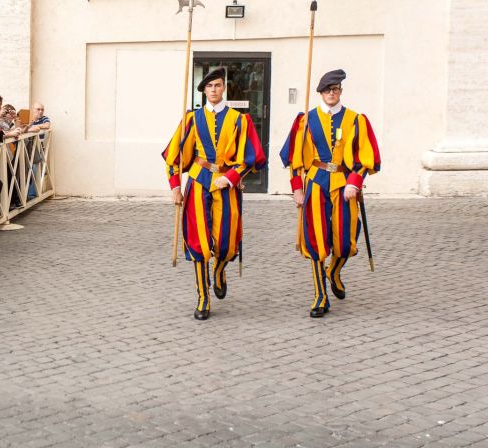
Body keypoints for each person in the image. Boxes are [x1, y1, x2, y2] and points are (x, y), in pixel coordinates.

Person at [162, 68, 267, 321]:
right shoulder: (192, 119)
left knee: (226, 241)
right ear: (204, 91)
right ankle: (203, 297)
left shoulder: (240, 120)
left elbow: (252, 157)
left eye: (218, 85)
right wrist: (175, 186)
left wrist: (231, 177)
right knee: (199, 241)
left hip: (226, 183)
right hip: (199, 180)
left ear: (224, 88)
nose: (214, 90)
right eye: (209, 87)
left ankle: (219, 270)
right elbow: (174, 155)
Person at [279, 69, 381, 318]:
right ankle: (320, 295)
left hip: (344, 183)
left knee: (345, 243)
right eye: (327, 90)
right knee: (316, 240)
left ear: (340, 92)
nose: (331, 94)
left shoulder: (356, 120)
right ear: (321, 93)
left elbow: (366, 157)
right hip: (315, 182)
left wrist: (355, 181)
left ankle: (334, 271)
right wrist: (296, 188)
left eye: (335, 90)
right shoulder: (306, 120)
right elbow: (293, 158)